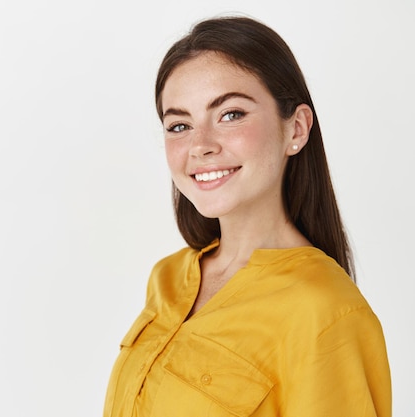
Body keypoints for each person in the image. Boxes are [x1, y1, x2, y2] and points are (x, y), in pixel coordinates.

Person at [103, 15, 391, 417]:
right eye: (179, 124)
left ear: (296, 129)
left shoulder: (325, 313)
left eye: (231, 114)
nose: (200, 146)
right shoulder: (168, 279)